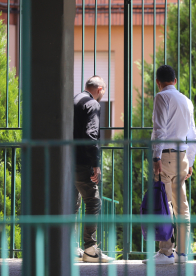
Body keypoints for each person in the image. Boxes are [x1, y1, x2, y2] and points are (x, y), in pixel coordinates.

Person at [143, 65, 196, 265]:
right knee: (181, 205)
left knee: (164, 203)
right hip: (182, 156)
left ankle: (166, 252)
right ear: (175, 80)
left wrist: (156, 158)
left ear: (158, 82)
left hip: (165, 157)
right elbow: (193, 134)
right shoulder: (186, 101)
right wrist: (190, 161)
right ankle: (182, 253)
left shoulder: (161, 97)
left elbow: (159, 130)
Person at [73, 75, 113, 263]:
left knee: (73, 203)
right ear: (99, 89)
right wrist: (95, 164)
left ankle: (71, 247)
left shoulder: (73, 101)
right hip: (82, 161)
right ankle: (90, 248)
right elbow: (91, 136)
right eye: (104, 91)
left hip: (67, 161)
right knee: (94, 201)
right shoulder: (92, 105)